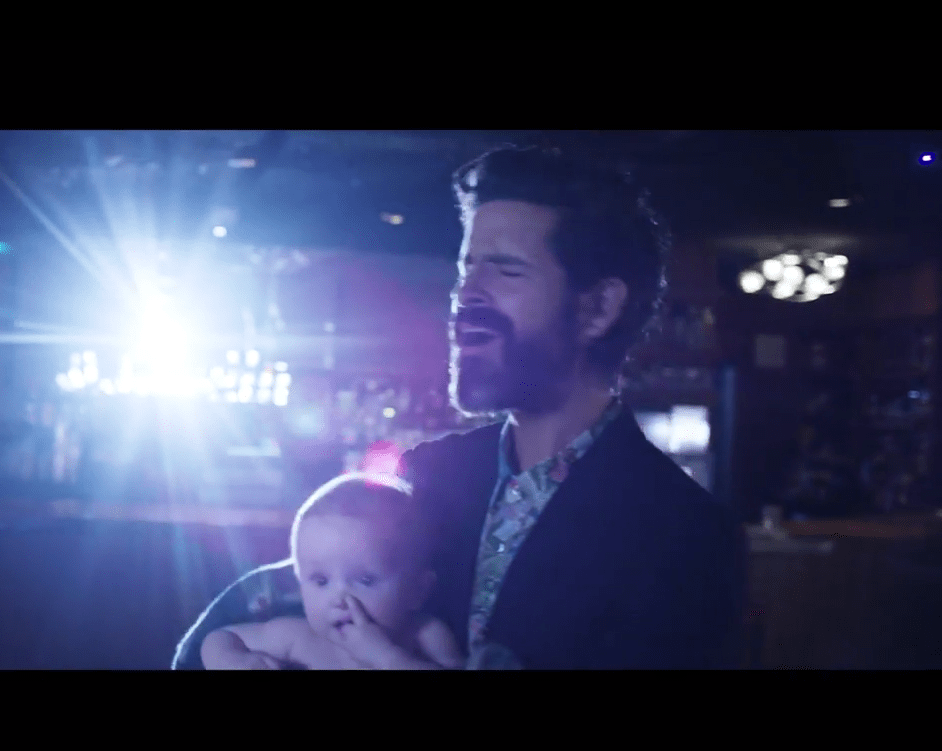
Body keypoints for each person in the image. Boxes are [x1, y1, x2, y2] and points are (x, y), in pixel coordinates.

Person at [174, 144, 747, 670]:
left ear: (596, 309)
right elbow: (250, 614)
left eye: (505, 270)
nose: (465, 294)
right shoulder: (427, 474)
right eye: (467, 267)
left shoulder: (682, 534)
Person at [200, 473, 465, 670]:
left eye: (365, 580)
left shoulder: (424, 635)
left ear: (417, 591)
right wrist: (233, 660)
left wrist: (386, 656)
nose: (339, 599)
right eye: (321, 580)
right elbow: (220, 637)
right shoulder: (297, 639)